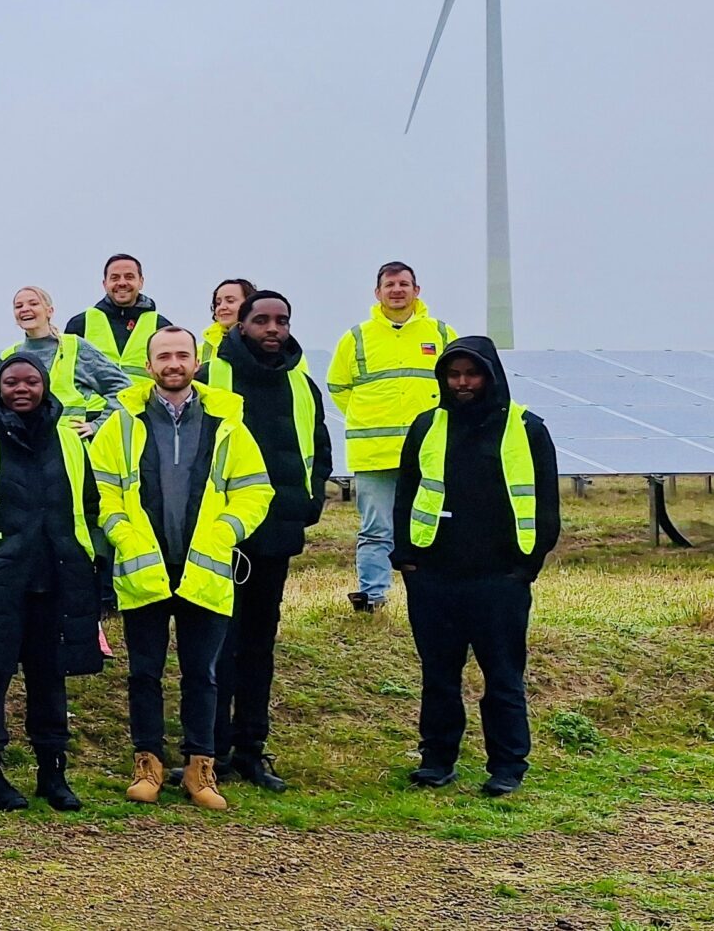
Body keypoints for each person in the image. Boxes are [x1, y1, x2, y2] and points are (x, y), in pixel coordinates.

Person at [88, 327, 273, 810]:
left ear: (196, 362)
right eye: (164, 356)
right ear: (149, 366)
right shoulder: (121, 423)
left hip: (205, 567)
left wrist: (226, 531)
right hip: (145, 566)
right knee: (144, 673)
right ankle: (147, 763)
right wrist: (124, 536)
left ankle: (200, 768)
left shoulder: (226, 421)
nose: (173, 363)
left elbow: (256, 490)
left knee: (203, 674)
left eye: (182, 355)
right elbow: (102, 491)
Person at [0, 353, 105, 812]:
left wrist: (89, 561)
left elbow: (90, 507)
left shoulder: (70, 443)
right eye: (12, 382)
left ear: (45, 386)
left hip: (58, 581)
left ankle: (54, 776)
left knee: (51, 682)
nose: (22, 389)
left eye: (31, 381)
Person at [395, 337, 561, 797]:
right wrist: (408, 561)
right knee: (439, 676)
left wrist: (527, 566)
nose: (463, 383)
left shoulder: (527, 429)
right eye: (454, 374)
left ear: (491, 376)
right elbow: (406, 493)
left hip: (499, 580)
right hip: (434, 577)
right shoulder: (427, 426)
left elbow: (546, 502)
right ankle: (436, 761)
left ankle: (507, 766)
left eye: (472, 373)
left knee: (504, 678)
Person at [199, 290, 333, 790]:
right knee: (216, 644)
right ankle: (210, 752)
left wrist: (308, 503)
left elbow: (317, 450)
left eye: (281, 320)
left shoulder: (301, 383)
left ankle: (252, 750)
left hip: (276, 532)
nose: (272, 328)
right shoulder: (212, 376)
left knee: (259, 644)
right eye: (262, 320)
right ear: (242, 323)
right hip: (219, 534)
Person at [327, 262, 458, 612]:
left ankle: (438, 593)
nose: (397, 290)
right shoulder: (356, 337)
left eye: (404, 283)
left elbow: (461, 383)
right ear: (377, 292)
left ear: (417, 290)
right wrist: (368, 415)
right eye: (389, 284)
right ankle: (372, 597)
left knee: (433, 525)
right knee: (376, 529)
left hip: (428, 452)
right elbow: (338, 386)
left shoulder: (443, 334)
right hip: (375, 452)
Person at [7, 285, 126, 435]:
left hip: (68, 448)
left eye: (33, 303)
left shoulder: (75, 347)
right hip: (26, 448)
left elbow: (122, 387)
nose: (24, 309)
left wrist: (98, 425)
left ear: (49, 311)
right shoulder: (9, 355)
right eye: (18, 306)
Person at [66, 254, 170, 384]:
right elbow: (66, 374)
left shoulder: (161, 326)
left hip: (143, 403)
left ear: (141, 282)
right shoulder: (81, 323)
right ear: (105, 284)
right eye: (114, 278)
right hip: (96, 405)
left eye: (129, 277)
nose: (121, 283)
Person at [201, 278, 254, 364]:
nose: (222, 307)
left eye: (230, 301)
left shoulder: (266, 344)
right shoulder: (198, 350)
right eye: (218, 303)